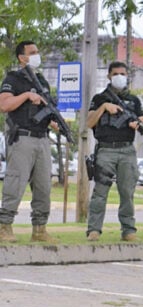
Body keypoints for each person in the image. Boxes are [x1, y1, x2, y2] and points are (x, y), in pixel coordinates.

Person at [0, 40, 58, 243]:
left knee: (43, 186)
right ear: (21, 57)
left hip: (42, 139)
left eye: (37, 51)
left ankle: (40, 229)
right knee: (15, 183)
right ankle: (4, 227)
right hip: (22, 137)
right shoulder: (13, 79)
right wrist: (26, 95)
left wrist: (53, 121)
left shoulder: (42, 81)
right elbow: (4, 104)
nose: (36, 55)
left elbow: (45, 108)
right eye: (32, 52)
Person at [85, 61, 143, 242]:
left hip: (127, 150)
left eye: (123, 73)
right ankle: (94, 229)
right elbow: (89, 122)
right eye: (116, 73)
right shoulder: (99, 98)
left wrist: (137, 124)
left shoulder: (133, 100)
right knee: (100, 192)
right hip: (106, 150)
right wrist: (104, 108)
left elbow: (141, 122)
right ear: (109, 76)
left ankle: (128, 230)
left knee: (127, 192)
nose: (120, 76)